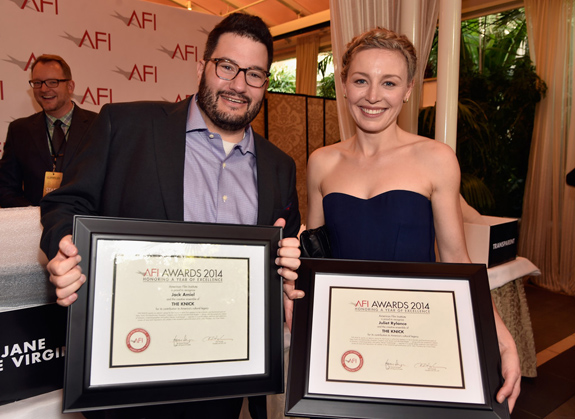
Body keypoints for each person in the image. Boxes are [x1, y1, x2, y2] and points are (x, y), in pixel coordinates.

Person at [40, 13, 302, 419]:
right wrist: (64, 249)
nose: (238, 85)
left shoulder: (279, 166)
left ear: (266, 84)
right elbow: (65, 204)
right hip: (128, 373)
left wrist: (288, 273)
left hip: (225, 380)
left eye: (254, 74)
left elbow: (284, 260)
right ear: (202, 66)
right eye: (227, 66)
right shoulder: (126, 125)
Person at [305, 28, 521, 412]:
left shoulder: (435, 158)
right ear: (343, 84)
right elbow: (316, 258)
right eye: (361, 80)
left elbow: (456, 258)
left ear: (407, 90)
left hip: (416, 334)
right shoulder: (321, 161)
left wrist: (500, 335)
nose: (373, 96)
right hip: (346, 338)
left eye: (388, 83)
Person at [0, 54, 97, 207]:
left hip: (84, 222)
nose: (44, 89)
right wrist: (35, 215)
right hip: (36, 226)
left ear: (70, 86)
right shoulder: (19, 131)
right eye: (37, 83)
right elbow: (6, 189)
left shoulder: (98, 125)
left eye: (53, 82)